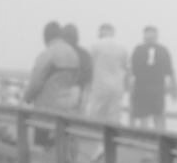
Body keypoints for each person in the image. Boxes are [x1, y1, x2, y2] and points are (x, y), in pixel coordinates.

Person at [22, 22, 80, 151]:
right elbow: (75, 81)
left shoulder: (46, 55)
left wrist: (26, 97)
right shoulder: (73, 53)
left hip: (46, 109)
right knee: (64, 146)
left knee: (48, 149)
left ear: (45, 37)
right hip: (67, 106)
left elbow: (36, 82)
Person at [128, 25, 176, 127]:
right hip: (155, 90)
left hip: (143, 89)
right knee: (157, 117)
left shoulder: (139, 49)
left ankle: (147, 139)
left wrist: (128, 86)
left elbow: (131, 70)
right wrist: (174, 89)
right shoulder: (162, 50)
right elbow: (170, 72)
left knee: (145, 118)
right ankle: (159, 140)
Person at [85, 23, 129, 124]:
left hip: (99, 86)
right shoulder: (122, 47)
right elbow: (127, 68)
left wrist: (88, 85)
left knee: (96, 115)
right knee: (114, 117)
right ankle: (112, 138)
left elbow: (89, 66)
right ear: (112, 32)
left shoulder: (94, 46)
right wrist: (127, 85)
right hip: (117, 87)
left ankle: (96, 138)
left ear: (100, 32)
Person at [61, 23, 92, 109]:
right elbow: (89, 75)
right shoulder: (84, 53)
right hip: (78, 89)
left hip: (61, 90)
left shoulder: (59, 52)